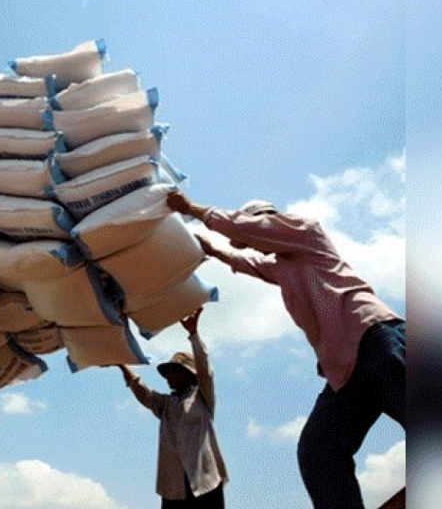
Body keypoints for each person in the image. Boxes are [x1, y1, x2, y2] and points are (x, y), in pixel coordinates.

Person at [165, 190, 405, 509]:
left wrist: (192, 209)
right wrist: (214, 251)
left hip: (374, 338)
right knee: (319, 451)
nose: (255, 245)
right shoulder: (281, 267)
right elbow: (247, 262)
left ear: (268, 218)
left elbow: (253, 231)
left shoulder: (305, 231)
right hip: (343, 372)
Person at [118, 307, 228, 509]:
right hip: (174, 487)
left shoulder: (202, 398)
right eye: (167, 372)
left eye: (173, 371)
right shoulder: (166, 405)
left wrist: (193, 335)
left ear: (187, 373)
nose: (168, 376)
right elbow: (143, 392)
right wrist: (121, 365)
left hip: (204, 482)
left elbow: (205, 371)